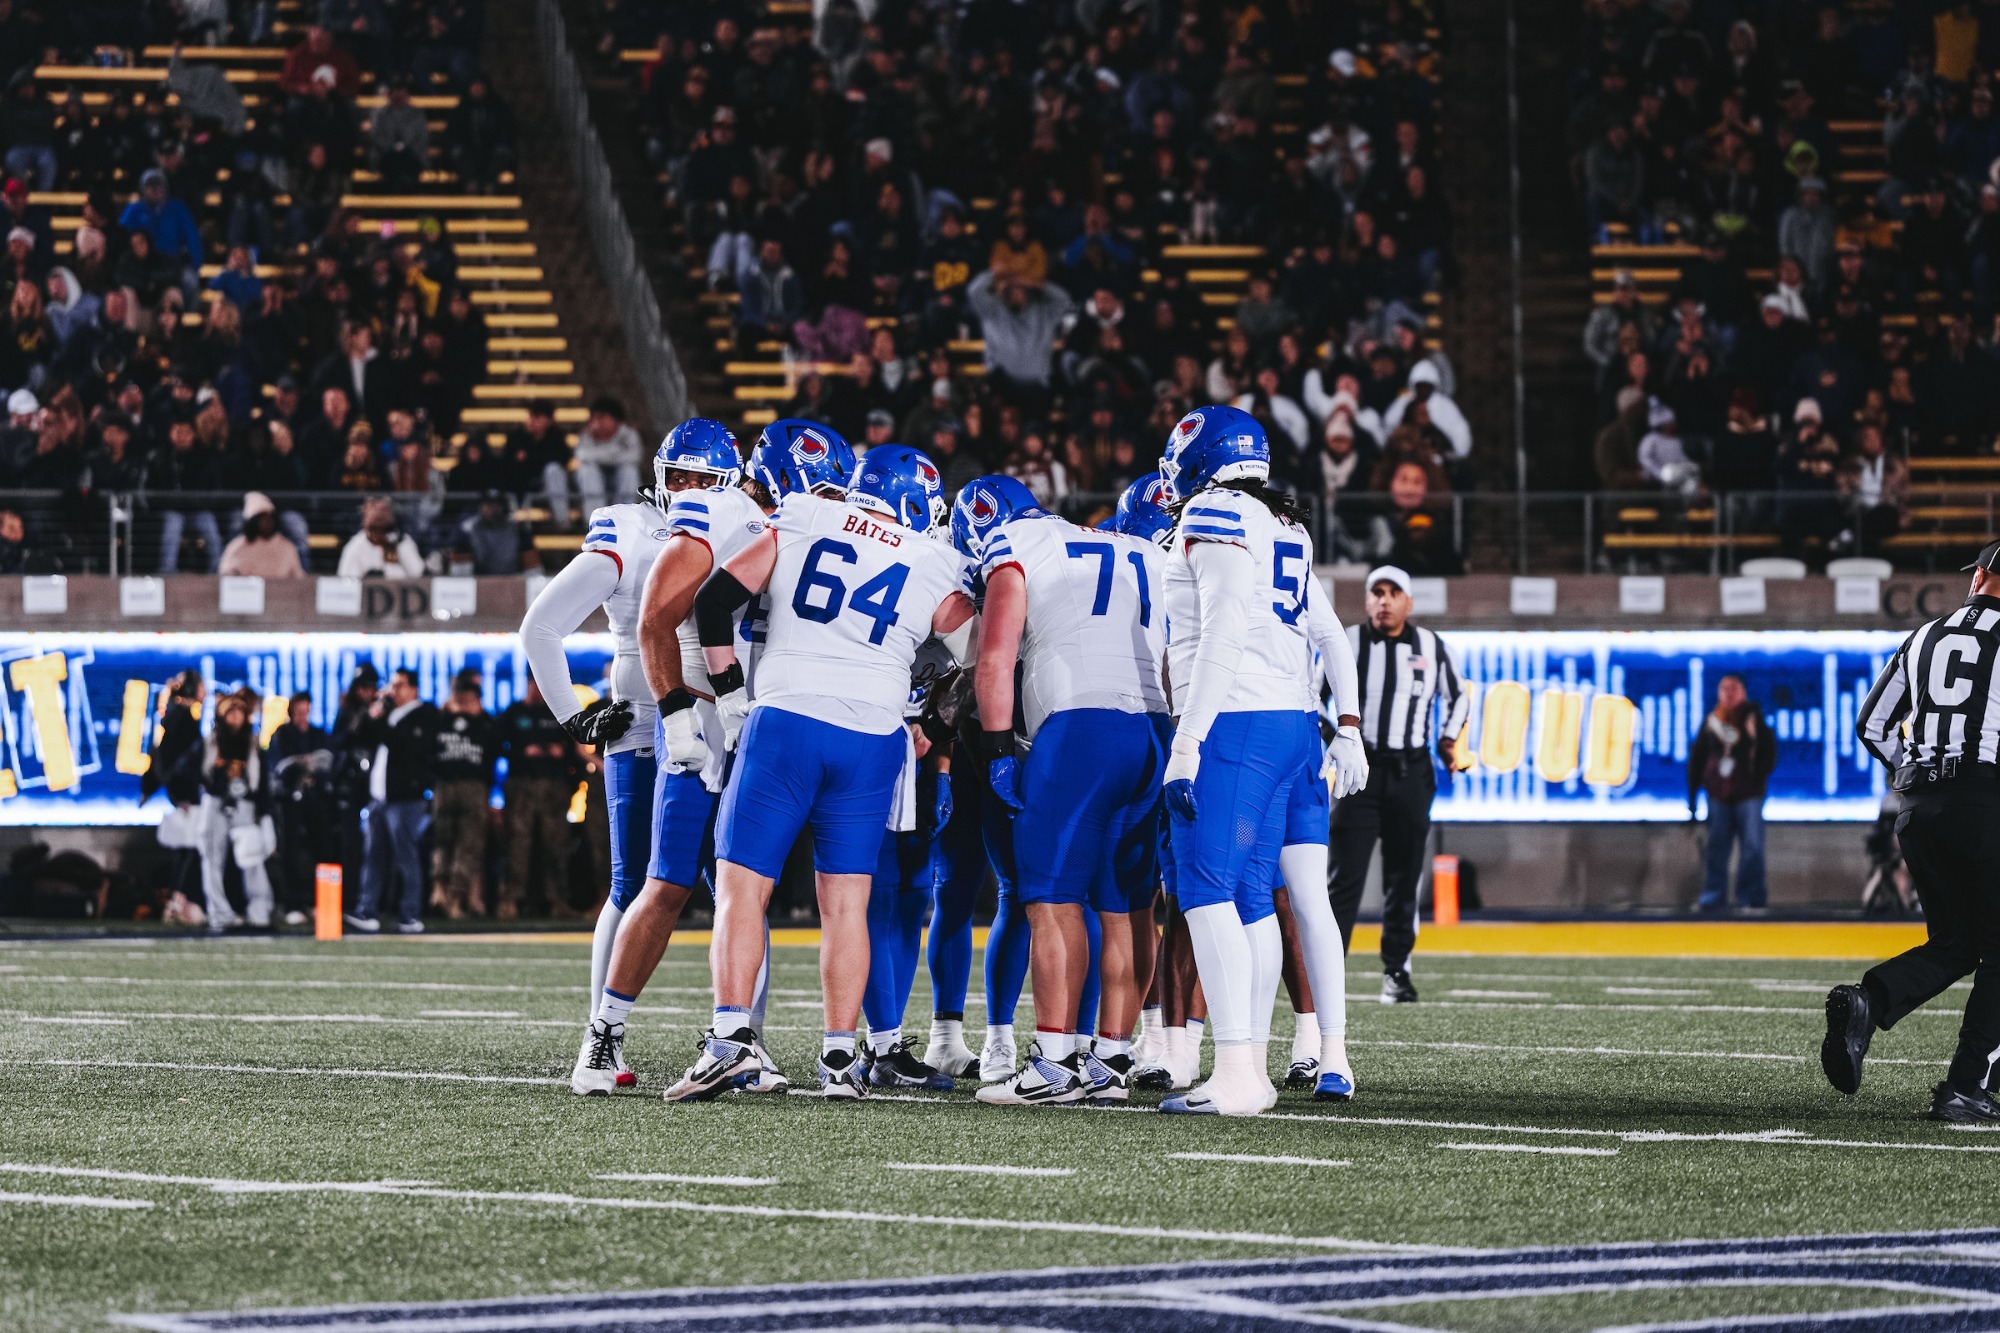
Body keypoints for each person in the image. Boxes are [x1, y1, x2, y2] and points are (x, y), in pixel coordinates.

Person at [666, 444, 975, 1102]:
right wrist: (932, 716)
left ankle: (730, 1041)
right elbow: (978, 650)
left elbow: (715, 602)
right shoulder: (930, 556)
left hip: (788, 718)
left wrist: (728, 695)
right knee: (847, 906)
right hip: (873, 733)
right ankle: (839, 1060)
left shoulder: (804, 514)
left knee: (741, 889)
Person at [539, 418, 770, 1094]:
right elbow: (542, 625)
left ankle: (744, 1041)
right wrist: (574, 713)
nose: (689, 489)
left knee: (737, 886)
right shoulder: (631, 529)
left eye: (702, 479)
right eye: (680, 477)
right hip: (648, 724)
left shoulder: (750, 526)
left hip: (723, 722)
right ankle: (600, 1035)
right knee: (637, 882)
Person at [954, 471, 1168, 1107]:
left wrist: (996, 748)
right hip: (1153, 727)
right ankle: (1111, 1055)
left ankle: (1053, 1060)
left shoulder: (1015, 543)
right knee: (1127, 903)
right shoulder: (1141, 549)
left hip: (1078, 728)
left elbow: (994, 657)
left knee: (1050, 897)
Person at [1151, 405, 1323, 1117]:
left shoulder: (1217, 512)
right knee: (1252, 895)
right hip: (1287, 715)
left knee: (1204, 889)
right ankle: (1246, 1064)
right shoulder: (1286, 522)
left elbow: (1222, 628)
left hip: (1236, 715)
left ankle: (1238, 1072)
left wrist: (1187, 742)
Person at [1833, 539, 2000, 1121]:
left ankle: (1868, 1000)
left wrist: (1918, 773)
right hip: (1984, 801)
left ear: (1980, 576)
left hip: (1920, 808)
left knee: (1957, 944)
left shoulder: (1926, 634)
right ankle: (1965, 1086)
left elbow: (1872, 724)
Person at [1330, 564, 1468, 1005]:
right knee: (1343, 877)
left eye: (1393, 593)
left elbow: (1459, 695)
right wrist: (1334, 741)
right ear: (1367, 599)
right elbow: (1310, 695)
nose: (1384, 600)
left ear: (1408, 602)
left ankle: (1397, 971)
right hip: (1360, 772)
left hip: (1411, 771)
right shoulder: (1347, 642)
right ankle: (1327, 974)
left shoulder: (1430, 645)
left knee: (1403, 877)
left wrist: (1447, 738)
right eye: (1377, 592)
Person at [345, 668, 437, 934]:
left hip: (406, 799)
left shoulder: (424, 715)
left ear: (414, 689)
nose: (394, 691)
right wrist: (370, 715)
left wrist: (381, 720)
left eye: (400, 685)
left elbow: (407, 747)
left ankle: (410, 914)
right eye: (393, 685)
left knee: (406, 856)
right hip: (379, 798)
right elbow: (358, 737)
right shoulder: (389, 714)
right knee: (373, 856)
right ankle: (367, 910)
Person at [1687, 674, 1776, 915]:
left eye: (1733, 688)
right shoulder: (1711, 723)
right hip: (1718, 796)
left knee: (1752, 848)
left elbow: (1768, 755)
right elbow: (1696, 762)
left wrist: (1755, 773)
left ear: (1743, 692)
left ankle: (1750, 899)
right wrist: (1692, 801)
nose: (1728, 694)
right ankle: (1713, 898)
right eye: (1723, 688)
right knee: (1716, 849)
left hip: (1748, 795)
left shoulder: (1754, 720)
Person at [496, 678, 578, 920]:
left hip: (554, 787)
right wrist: (522, 752)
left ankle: (558, 901)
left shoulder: (559, 711)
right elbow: (497, 746)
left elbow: (575, 749)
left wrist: (561, 756)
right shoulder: (514, 712)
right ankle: (509, 901)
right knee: (517, 847)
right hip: (522, 786)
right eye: (534, 683)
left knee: (556, 846)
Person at [197, 688, 274, 931]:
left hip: (244, 804)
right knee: (212, 859)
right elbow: (199, 774)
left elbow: (260, 781)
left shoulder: (251, 743)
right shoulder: (211, 741)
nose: (236, 717)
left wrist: (265, 812)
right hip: (216, 803)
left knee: (252, 857)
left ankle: (260, 911)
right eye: (231, 712)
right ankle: (220, 914)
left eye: (241, 711)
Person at [430, 673, 497, 920]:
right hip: (445, 785)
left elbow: (495, 750)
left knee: (468, 844)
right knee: (443, 839)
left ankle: (456, 897)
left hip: (474, 786)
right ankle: (440, 891)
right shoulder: (440, 718)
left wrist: (475, 716)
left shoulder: (486, 722)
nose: (463, 698)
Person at [265, 692, 334, 927]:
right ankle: (293, 904)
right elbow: (276, 767)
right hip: (289, 802)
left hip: (316, 800)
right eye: (299, 711)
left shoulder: (318, 734)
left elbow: (329, 763)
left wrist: (316, 775)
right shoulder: (281, 735)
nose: (303, 716)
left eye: (306, 711)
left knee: (323, 849)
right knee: (290, 852)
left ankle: (323, 902)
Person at [218, 492, 306, 579]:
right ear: (253, 521)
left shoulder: (287, 548)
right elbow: (225, 576)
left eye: (270, 517)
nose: (267, 522)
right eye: (262, 518)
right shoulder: (237, 547)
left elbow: (298, 579)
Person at [338, 496, 424, 578]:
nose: (379, 534)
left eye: (384, 529)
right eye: (374, 529)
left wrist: (401, 548)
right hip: (368, 592)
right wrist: (368, 582)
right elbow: (346, 585)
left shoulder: (402, 542)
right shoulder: (355, 547)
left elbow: (420, 576)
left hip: (404, 591)